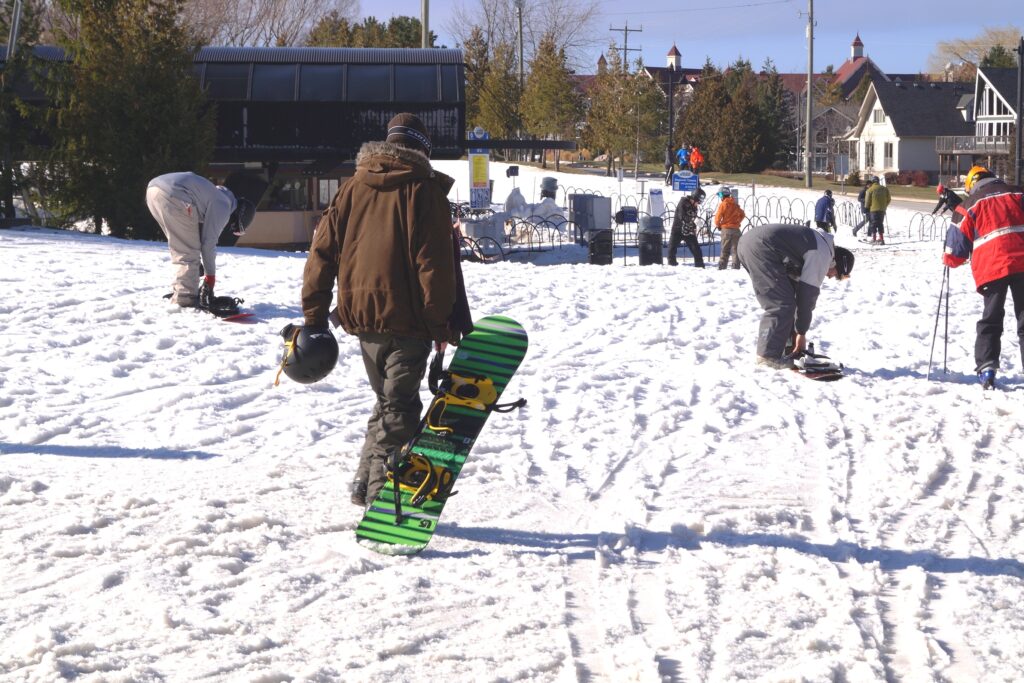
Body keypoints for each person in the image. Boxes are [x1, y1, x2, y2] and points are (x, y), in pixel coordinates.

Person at [300, 112, 472, 507]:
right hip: (409, 320)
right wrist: (440, 322)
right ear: (422, 150)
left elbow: (321, 253)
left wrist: (314, 313)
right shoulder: (423, 190)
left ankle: (364, 481)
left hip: (361, 318)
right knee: (400, 410)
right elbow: (434, 264)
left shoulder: (352, 187)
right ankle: (383, 499)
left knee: (389, 400)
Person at [941, 165, 1024, 389]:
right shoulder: (1019, 193)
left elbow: (955, 252)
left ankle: (987, 368)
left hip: (993, 266)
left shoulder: (968, 204)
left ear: (971, 186)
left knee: (991, 318)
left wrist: (948, 259)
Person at [737, 223, 855, 369]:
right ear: (836, 263)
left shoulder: (818, 244)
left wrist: (797, 335)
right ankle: (768, 356)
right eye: (837, 274)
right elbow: (807, 296)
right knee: (781, 304)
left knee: (787, 300)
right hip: (762, 247)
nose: (831, 277)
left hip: (749, 243)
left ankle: (788, 348)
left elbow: (797, 292)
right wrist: (802, 333)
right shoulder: (822, 254)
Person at [146, 172, 255, 308]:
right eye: (233, 225)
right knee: (188, 252)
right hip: (176, 195)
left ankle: (181, 291)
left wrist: (199, 265)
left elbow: (195, 235)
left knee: (181, 248)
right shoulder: (223, 205)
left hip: (153, 190)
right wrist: (210, 277)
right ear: (240, 216)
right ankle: (186, 298)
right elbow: (208, 243)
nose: (229, 226)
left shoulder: (213, 195)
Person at [668, 187, 706, 267]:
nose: (698, 204)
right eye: (698, 202)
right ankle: (671, 265)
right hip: (677, 229)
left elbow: (693, 217)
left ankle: (700, 266)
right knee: (672, 248)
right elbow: (681, 215)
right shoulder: (683, 202)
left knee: (696, 249)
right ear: (694, 198)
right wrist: (691, 220)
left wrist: (695, 224)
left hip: (689, 230)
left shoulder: (694, 207)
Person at [714, 187, 745, 270]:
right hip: (736, 230)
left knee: (725, 249)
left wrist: (718, 225)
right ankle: (735, 267)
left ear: (722, 195)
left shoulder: (723, 204)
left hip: (726, 229)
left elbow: (718, 217)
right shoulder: (735, 204)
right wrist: (737, 222)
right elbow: (742, 214)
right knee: (736, 250)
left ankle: (722, 266)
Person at [864, 175, 891, 244]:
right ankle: (881, 239)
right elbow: (889, 199)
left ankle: (874, 238)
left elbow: (867, 201)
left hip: (873, 209)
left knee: (873, 224)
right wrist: (884, 206)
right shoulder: (885, 189)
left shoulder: (870, 189)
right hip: (882, 210)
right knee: (880, 224)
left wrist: (866, 208)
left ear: (872, 182)